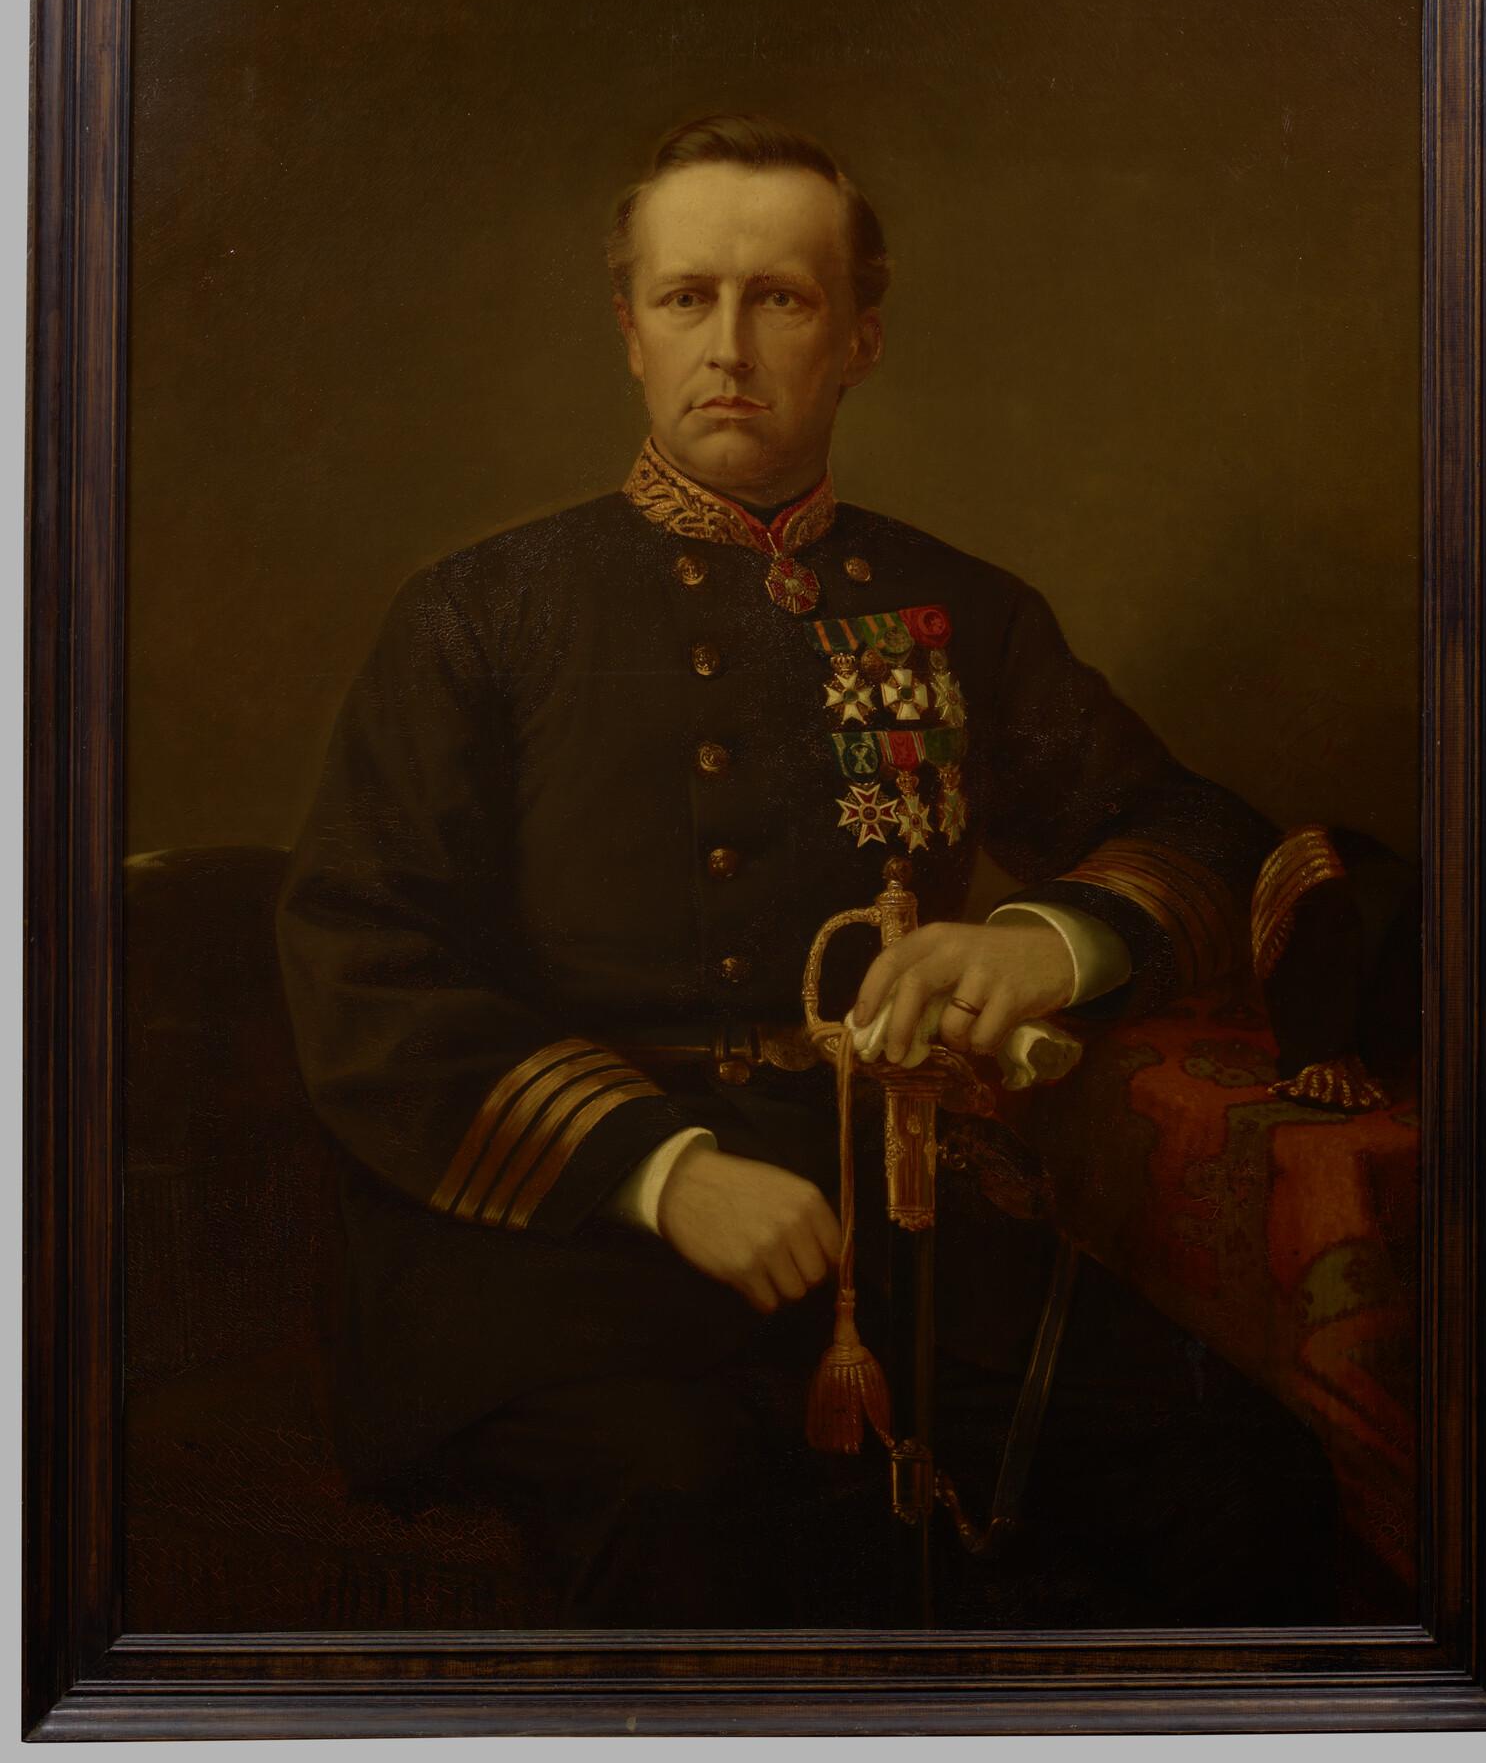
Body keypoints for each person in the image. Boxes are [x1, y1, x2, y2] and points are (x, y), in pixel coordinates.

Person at [276, 114, 1336, 1627]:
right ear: (630, 334)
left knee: (1244, 1486)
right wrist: (660, 1171)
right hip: (553, 1248)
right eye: (686, 297)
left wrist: (1048, 942)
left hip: (891, 1214)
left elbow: (1198, 829)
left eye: (779, 297)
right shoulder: (479, 615)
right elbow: (363, 965)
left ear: (859, 342)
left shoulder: (962, 608)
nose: (728, 345)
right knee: (704, 1510)